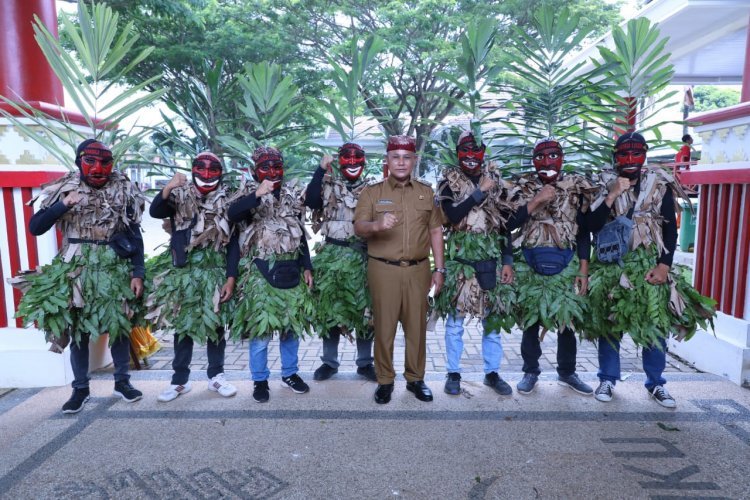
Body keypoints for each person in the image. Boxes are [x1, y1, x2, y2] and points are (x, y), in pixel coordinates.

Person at [585, 132, 715, 408]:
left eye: (636, 153)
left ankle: (656, 383)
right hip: (612, 266)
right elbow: (589, 226)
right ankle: (607, 378)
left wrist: (664, 265)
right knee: (609, 324)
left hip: (649, 266)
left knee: (655, 325)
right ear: (615, 156)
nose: (630, 159)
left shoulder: (659, 184)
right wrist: (613, 194)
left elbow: (670, 227)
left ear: (644, 154)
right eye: (624, 154)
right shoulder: (603, 184)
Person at [23, 139, 145, 413]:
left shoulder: (123, 188)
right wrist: (63, 204)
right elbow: (35, 227)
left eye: (104, 162)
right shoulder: (65, 188)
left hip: (115, 266)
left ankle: (122, 382)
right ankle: (80, 389)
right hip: (77, 267)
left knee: (120, 325)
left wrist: (138, 272)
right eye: (91, 162)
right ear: (79, 162)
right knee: (78, 328)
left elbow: (134, 233)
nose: (98, 169)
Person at [354, 135, 445, 404]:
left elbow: (436, 230)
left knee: (416, 326)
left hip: (418, 270)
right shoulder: (372, 192)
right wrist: (376, 225)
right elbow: (359, 227)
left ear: (414, 161)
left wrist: (439, 269)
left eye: (407, 157)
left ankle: (416, 379)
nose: (401, 162)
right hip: (383, 269)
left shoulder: (426, 192)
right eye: (396, 157)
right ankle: (384, 380)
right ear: (388, 161)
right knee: (384, 327)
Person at [148, 151, 239, 402]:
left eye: (213, 170)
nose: (207, 175)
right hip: (184, 271)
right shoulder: (179, 195)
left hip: (214, 270)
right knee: (183, 328)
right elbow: (156, 211)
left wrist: (231, 277)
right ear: (192, 170)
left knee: (216, 324)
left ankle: (216, 376)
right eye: (201, 168)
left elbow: (234, 243)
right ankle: (179, 381)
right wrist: (169, 186)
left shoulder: (229, 200)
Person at [510, 137, 596, 397]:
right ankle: (530, 371)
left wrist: (583, 267)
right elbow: (508, 223)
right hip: (530, 262)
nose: (547, 162)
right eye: (541, 157)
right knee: (530, 320)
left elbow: (583, 232)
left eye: (553, 156)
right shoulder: (522, 188)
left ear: (562, 159)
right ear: (533, 161)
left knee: (566, 320)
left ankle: (567, 372)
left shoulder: (575, 188)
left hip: (566, 262)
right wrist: (536, 200)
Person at [228, 146, 313, 403]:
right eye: (266, 167)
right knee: (261, 333)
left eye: (277, 166)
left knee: (290, 329)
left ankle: (290, 373)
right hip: (260, 272)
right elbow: (232, 215)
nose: (273, 172)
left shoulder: (292, 196)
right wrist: (257, 194)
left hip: (291, 269)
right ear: (255, 170)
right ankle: (260, 379)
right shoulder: (246, 193)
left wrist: (307, 266)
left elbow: (300, 234)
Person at [435, 131, 515, 396]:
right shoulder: (448, 183)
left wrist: (507, 260)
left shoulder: (496, 182)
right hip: (461, 263)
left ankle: (492, 373)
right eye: (465, 150)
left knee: (491, 322)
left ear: (483, 152)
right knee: (455, 322)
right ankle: (453, 372)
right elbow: (453, 215)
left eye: (476, 150)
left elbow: (504, 227)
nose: (470, 156)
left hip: (489, 263)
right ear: (457, 153)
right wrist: (479, 193)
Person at [305, 143, 376, 382]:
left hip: (363, 256)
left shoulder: (373, 188)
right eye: (347, 159)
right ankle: (329, 362)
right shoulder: (328, 185)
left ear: (364, 162)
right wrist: (320, 169)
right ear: (339, 162)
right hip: (332, 254)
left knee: (366, 310)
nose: (353, 163)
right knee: (330, 311)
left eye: (358, 159)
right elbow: (311, 201)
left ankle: (365, 363)